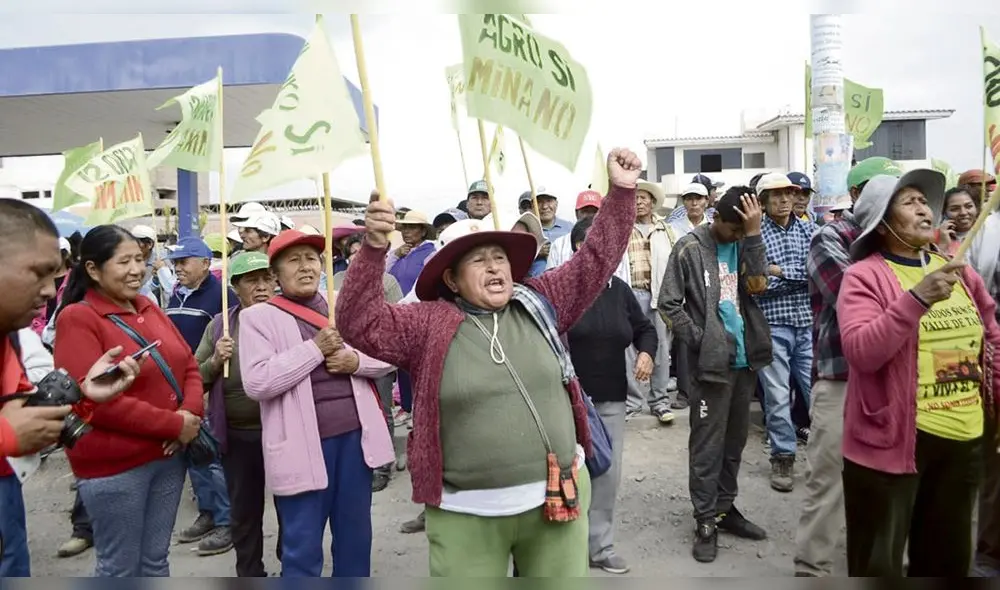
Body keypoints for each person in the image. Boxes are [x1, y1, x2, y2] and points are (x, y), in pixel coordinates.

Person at [335, 148, 642, 577]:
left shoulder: (540, 300)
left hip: (559, 496)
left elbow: (596, 260)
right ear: (451, 278)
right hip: (466, 514)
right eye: (478, 260)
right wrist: (371, 248)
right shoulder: (427, 323)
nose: (494, 266)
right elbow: (358, 323)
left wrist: (622, 192)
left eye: (499, 257)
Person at [838, 169, 1000, 576]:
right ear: (883, 222)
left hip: (963, 440)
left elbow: (991, 335)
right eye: (909, 202)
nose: (925, 209)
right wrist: (917, 298)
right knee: (879, 565)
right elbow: (862, 352)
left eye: (925, 202)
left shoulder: (958, 270)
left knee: (945, 563)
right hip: (892, 445)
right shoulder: (864, 276)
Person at [239, 230, 395, 577]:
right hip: (300, 448)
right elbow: (258, 381)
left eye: (311, 258)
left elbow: (389, 353)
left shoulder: (342, 303)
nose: (305, 266)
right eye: (294, 260)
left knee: (355, 539)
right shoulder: (257, 318)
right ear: (275, 274)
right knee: (302, 546)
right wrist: (315, 350)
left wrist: (355, 362)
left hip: (355, 441)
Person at [52, 225, 204, 577]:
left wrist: (188, 414)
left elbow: (189, 365)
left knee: (155, 561)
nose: (137, 269)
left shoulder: (149, 306)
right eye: (124, 261)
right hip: (116, 467)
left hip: (168, 456)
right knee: (119, 569)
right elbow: (94, 400)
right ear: (93, 269)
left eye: (139, 258)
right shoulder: (78, 318)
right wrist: (175, 425)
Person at [792, 159, 902, 577]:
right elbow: (857, 299)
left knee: (888, 480)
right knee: (828, 480)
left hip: (894, 379)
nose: (905, 210)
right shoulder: (830, 237)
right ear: (858, 196)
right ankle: (813, 569)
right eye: (891, 199)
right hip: (842, 379)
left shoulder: (910, 245)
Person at [658, 187, 772, 563]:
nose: (737, 236)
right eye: (733, 229)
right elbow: (668, 303)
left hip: (745, 362)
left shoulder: (746, 241)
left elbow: (758, 286)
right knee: (707, 447)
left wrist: (753, 236)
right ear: (715, 216)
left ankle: (725, 509)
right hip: (711, 367)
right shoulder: (689, 248)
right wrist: (703, 340)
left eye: (745, 231)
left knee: (734, 444)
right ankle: (705, 519)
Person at [565, 216, 657, 575]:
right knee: (567, 472)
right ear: (576, 248)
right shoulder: (564, 290)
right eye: (593, 244)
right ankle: (562, 548)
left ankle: (600, 547)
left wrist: (646, 352)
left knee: (606, 472)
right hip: (566, 397)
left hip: (610, 397)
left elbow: (645, 328)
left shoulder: (619, 291)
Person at [195, 251, 281, 577]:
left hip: (283, 432)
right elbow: (194, 376)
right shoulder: (220, 326)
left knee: (293, 507)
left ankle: (293, 565)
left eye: (266, 279)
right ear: (234, 287)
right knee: (244, 511)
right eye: (251, 281)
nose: (261, 287)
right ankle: (249, 572)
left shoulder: (286, 319)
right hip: (237, 433)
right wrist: (216, 361)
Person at [164, 236, 235, 556]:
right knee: (193, 456)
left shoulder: (222, 298)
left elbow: (230, 344)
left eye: (184, 261)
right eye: (175, 262)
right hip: (175, 388)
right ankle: (208, 513)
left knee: (209, 456)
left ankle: (226, 521)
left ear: (206, 264)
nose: (178, 268)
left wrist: (206, 386)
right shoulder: (175, 293)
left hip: (205, 385)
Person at [753, 172, 819, 493]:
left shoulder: (810, 230)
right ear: (763, 201)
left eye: (788, 194)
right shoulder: (754, 236)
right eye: (776, 195)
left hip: (806, 321)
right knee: (778, 395)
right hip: (773, 323)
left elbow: (817, 273)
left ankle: (830, 454)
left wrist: (780, 272)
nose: (784, 200)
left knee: (816, 391)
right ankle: (783, 455)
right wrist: (795, 277)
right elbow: (759, 286)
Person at [625, 181, 677, 423]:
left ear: (653, 202)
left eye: (644, 197)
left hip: (658, 297)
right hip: (629, 295)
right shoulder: (623, 228)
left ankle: (659, 401)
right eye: (635, 197)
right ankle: (633, 401)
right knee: (627, 350)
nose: (639, 201)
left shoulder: (666, 230)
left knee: (660, 350)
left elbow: (676, 264)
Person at [547, 191, 630, 283]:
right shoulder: (559, 245)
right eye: (585, 211)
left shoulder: (616, 246)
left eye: (595, 211)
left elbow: (624, 281)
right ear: (576, 213)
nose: (591, 216)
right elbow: (551, 282)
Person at [388, 210, 437, 295]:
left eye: (412, 227)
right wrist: (396, 255)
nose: (406, 231)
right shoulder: (396, 253)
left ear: (423, 232)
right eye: (404, 227)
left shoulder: (431, 254)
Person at [937, 186, 978, 256]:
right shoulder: (936, 237)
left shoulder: (988, 232)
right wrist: (942, 245)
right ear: (944, 212)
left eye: (968, 206)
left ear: (976, 208)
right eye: (955, 209)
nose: (963, 213)